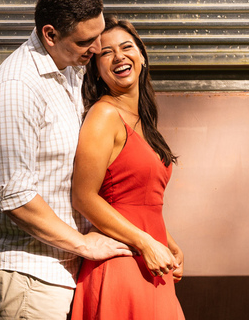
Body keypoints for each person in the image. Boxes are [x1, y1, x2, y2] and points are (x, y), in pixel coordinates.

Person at [0, 0, 132, 320]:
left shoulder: (69, 66)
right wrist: (84, 243)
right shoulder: (14, 89)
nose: (96, 49)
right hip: (31, 272)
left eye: (99, 34)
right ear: (50, 34)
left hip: (67, 266)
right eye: (86, 41)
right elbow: (16, 197)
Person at [70, 16, 186, 320]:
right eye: (106, 53)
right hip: (122, 263)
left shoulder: (144, 122)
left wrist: (169, 243)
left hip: (151, 260)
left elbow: (140, 200)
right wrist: (146, 242)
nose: (119, 56)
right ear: (96, 69)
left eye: (126, 47)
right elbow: (84, 197)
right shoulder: (104, 115)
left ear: (142, 56)